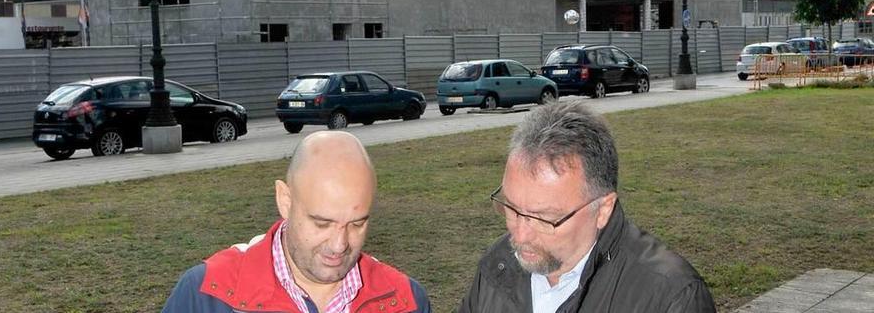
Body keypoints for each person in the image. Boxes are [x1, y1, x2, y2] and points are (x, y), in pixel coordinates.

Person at [458, 100, 715, 313]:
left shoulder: (671, 298)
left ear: (603, 209)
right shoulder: (498, 264)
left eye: (545, 218)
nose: (519, 236)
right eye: (512, 209)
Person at [162, 131, 431, 313]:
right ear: (285, 201)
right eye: (321, 223)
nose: (339, 245)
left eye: (356, 224)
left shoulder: (406, 300)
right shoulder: (206, 295)